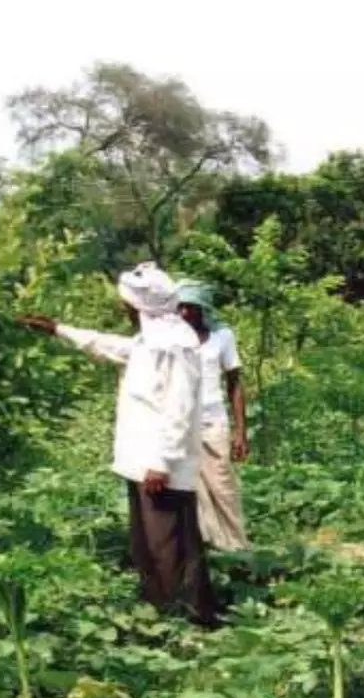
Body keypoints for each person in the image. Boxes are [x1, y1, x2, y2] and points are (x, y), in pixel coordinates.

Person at [20, 264, 217, 626]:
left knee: (168, 544)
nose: (122, 310)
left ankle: (185, 618)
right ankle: (162, 611)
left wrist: (161, 462)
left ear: (141, 308)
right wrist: (57, 329)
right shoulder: (148, 343)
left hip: (161, 466)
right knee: (148, 544)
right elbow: (106, 344)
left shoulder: (175, 349)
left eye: (126, 304)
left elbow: (179, 409)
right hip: (143, 462)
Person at [172, 280, 249, 552]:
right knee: (191, 488)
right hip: (181, 423)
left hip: (212, 421)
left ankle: (237, 547)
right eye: (179, 307)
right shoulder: (171, 338)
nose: (184, 314)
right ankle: (208, 545)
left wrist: (240, 431)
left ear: (203, 309)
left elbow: (235, 383)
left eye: (190, 308)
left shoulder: (221, 336)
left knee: (222, 485)